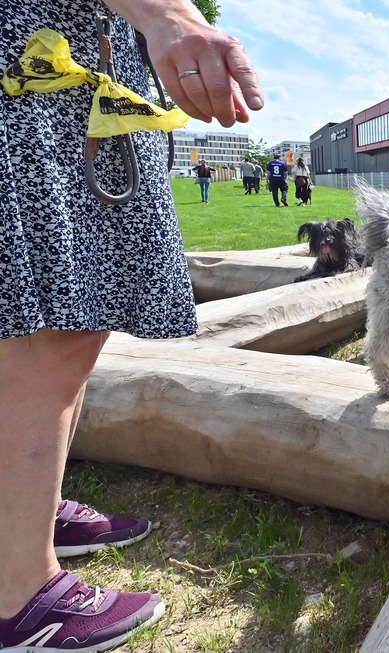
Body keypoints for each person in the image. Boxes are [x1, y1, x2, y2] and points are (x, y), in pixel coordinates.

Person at [0, 0, 263, 650]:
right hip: (43, 54)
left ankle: (25, 514)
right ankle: (18, 595)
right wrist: (167, 14)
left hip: (82, 59)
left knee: (71, 313)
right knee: (50, 326)